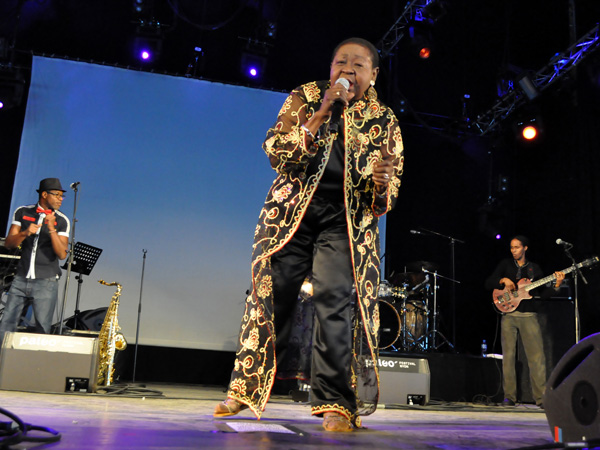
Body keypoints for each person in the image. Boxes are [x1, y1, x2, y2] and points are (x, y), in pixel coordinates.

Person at [213, 37, 404, 432]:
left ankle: (335, 403)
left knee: (334, 301)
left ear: (374, 74)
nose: (347, 70)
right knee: (271, 295)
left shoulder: (384, 119)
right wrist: (321, 113)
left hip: (345, 223)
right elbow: (276, 151)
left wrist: (383, 183)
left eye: (358, 65)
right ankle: (244, 389)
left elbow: (385, 199)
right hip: (291, 214)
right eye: (340, 62)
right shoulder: (307, 96)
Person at [484, 235, 565, 408]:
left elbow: (543, 295)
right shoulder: (505, 265)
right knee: (509, 357)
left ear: (525, 248)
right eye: (512, 248)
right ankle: (509, 397)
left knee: (537, 358)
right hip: (508, 315)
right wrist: (502, 280)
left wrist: (556, 285)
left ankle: (541, 398)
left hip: (529, 315)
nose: (513, 251)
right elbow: (488, 282)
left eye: (517, 247)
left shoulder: (534, 269)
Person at [0, 178, 70, 341]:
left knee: (42, 328)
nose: (60, 199)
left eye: (62, 196)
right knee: (6, 324)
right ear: (44, 194)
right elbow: (10, 244)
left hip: (46, 281)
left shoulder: (62, 220)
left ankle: (36, 365)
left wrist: (52, 228)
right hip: (20, 279)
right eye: (57, 195)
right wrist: (25, 233)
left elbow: (61, 254)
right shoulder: (23, 212)